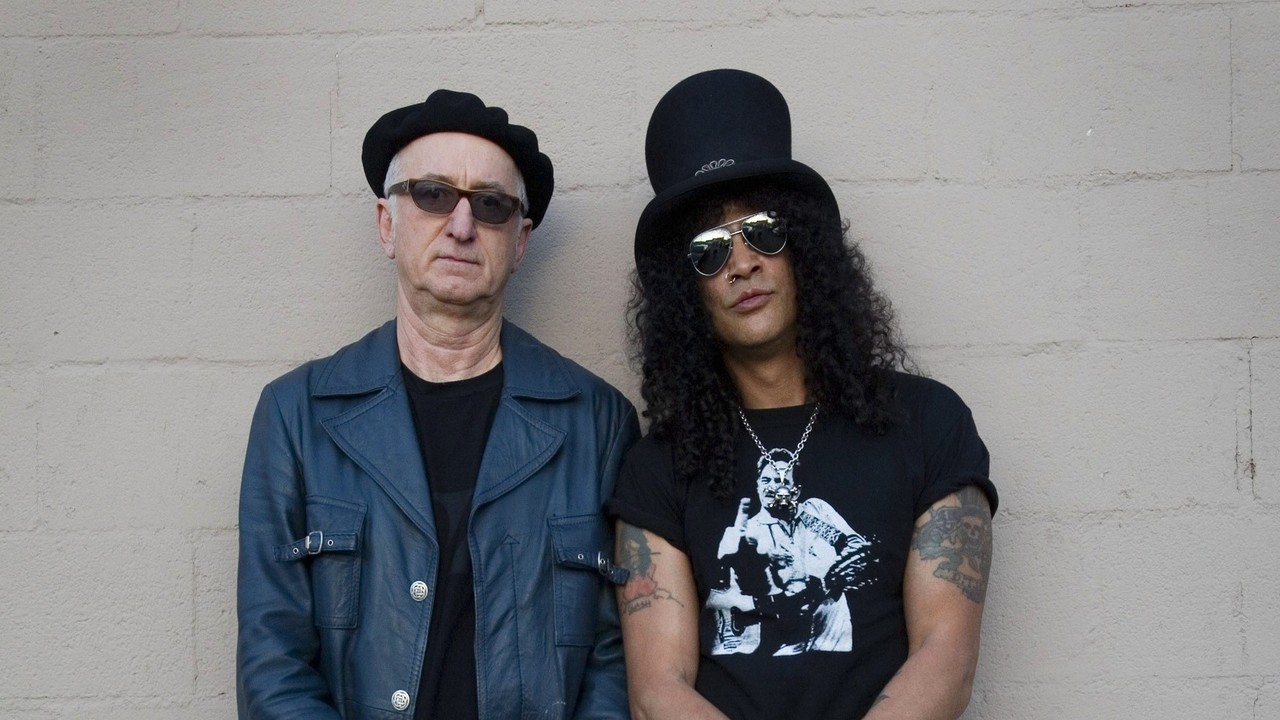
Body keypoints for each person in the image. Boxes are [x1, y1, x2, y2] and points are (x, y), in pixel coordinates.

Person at [236, 89, 638, 719]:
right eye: (432, 195)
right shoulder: (297, 416)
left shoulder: (598, 421)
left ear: (520, 241)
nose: (461, 225)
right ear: (386, 225)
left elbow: (616, 663)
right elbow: (273, 663)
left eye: (491, 204)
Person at [608, 69, 998, 719]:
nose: (742, 263)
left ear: (806, 248)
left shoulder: (928, 422)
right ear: (685, 290)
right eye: (708, 250)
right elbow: (658, 691)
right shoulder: (658, 467)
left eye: (764, 230)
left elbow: (946, 657)